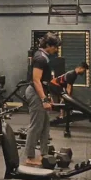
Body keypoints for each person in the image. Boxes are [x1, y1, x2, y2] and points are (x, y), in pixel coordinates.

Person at [23, 33, 61, 166]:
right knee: (36, 126)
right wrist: (44, 99)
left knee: (45, 124)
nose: (56, 50)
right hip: (35, 93)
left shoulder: (45, 56)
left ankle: (44, 154)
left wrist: (47, 96)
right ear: (49, 45)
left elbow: (44, 81)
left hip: (41, 92)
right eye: (55, 47)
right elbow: (36, 80)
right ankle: (29, 157)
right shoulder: (40, 58)